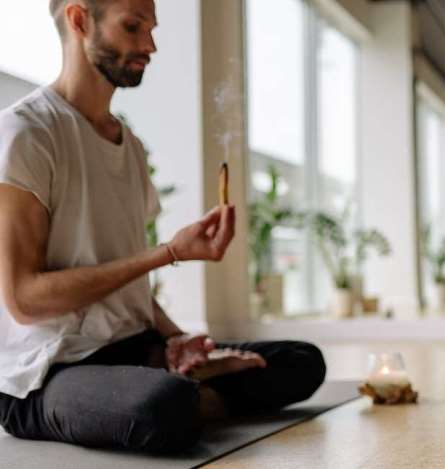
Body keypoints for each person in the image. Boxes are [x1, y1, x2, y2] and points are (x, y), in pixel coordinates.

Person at [0, 0, 325, 453]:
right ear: (79, 20)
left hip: (137, 348)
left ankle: (189, 388)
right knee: (163, 406)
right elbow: (25, 300)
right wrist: (168, 252)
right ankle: (188, 395)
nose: (150, 45)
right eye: (133, 27)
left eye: (151, 29)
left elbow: (128, 287)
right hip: (50, 371)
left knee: (302, 361)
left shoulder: (129, 145)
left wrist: (177, 339)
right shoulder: (26, 133)